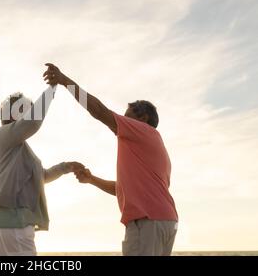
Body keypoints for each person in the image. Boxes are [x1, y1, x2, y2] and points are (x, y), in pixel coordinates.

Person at [43, 63, 178, 256]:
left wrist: (65, 82)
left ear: (144, 118)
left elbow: (99, 111)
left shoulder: (142, 131)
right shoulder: (152, 147)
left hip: (147, 222)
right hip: (164, 221)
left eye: (127, 117)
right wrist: (92, 180)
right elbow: (123, 190)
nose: (121, 122)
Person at [0, 85, 83, 256]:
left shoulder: (18, 146)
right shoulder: (4, 134)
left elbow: (42, 176)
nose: (29, 113)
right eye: (25, 110)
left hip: (9, 222)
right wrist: (52, 88)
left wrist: (66, 167)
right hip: (9, 222)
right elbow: (34, 121)